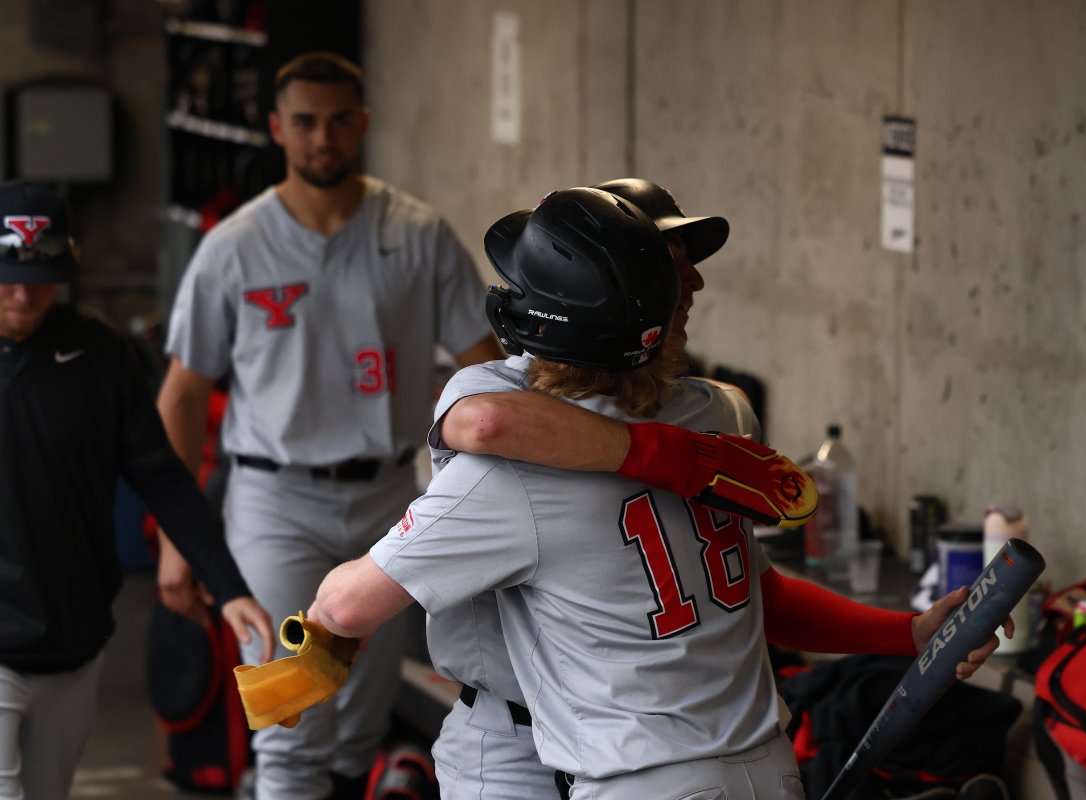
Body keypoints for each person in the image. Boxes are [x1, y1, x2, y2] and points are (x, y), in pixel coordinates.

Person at [309, 187, 1008, 799]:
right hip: (724, 762)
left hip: (629, 770)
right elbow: (489, 416)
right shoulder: (720, 418)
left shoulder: (511, 472)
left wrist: (313, 644)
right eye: (668, 266)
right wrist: (671, 456)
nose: (689, 285)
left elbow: (345, 603)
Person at [154, 51, 504, 800]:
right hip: (274, 506)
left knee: (358, 728)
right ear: (277, 129)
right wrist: (180, 541)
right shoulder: (233, 247)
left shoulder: (417, 233)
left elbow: (486, 373)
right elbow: (182, 395)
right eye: (306, 123)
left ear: (363, 124)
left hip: (388, 500)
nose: (323, 139)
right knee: (289, 725)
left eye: (340, 121)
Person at [0, 179, 274, 800]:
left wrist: (226, 587)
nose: (22, 294)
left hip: (74, 639)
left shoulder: (100, 354)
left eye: (39, 276)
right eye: (7, 276)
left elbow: (161, 476)